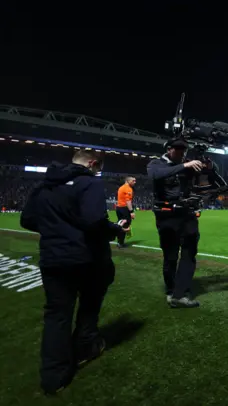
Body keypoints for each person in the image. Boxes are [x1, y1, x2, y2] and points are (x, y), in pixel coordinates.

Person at [20, 150, 128, 395]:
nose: (98, 170)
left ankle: (53, 378)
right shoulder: (89, 183)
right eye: (98, 166)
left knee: (57, 316)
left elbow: (27, 220)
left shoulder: (44, 185)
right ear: (91, 163)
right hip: (87, 258)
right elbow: (93, 222)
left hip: (53, 258)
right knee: (89, 306)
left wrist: (57, 230)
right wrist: (114, 229)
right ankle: (84, 348)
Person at [147, 137, 205, 308]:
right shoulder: (156, 164)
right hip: (167, 215)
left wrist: (207, 166)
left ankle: (179, 293)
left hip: (187, 214)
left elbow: (208, 177)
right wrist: (184, 166)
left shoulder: (187, 164)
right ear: (169, 149)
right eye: (178, 149)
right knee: (170, 255)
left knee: (189, 252)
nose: (181, 153)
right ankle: (172, 289)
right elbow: (155, 175)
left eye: (183, 150)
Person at [116, 176, 137, 248]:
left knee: (120, 224)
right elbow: (128, 201)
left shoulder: (121, 187)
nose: (135, 182)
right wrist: (131, 211)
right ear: (128, 181)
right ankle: (120, 243)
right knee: (125, 225)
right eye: (133, 181)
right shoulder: (128, 189)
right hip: (124, 209)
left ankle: (119, 241)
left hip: (119, 208)